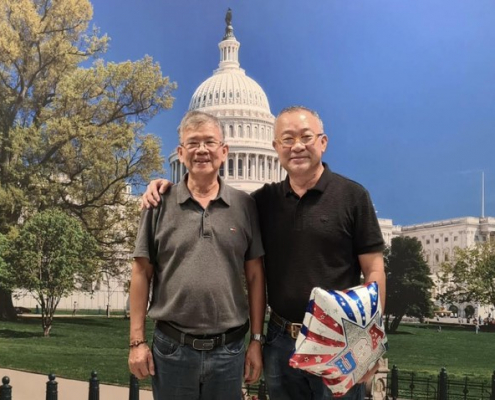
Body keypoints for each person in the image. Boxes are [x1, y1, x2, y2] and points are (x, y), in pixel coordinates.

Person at [142, 106, 386, 400]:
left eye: (306, 137)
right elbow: (206, 197)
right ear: (275, 147)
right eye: (287, 139)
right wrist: (167, 188)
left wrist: (369, 345)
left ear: (323, 142)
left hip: (340, 340)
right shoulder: (259, 203)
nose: (297, 146)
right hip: (281, 340)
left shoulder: (353, 196)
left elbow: (374, 271)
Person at [129, 110, 266, 400]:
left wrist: (256, 339)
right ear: (180, 153)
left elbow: (255, 276)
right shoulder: (158, 203)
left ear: (224, 151)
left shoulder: (245, 205)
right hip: (172, 348)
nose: (201, 150)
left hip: (228, 350)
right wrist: (136, 342)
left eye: (209, 142)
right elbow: (141, 272)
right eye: (193, 143)